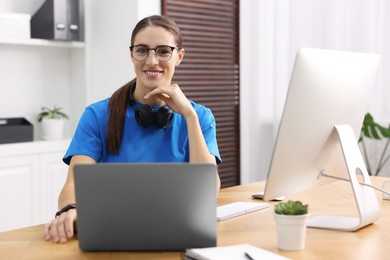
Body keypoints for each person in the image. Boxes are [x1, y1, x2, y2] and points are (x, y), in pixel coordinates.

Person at [43, 15, 222, 244]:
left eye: (163, 51)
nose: (151, 61)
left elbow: (207, 190)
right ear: (131, 54)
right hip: (111, 235)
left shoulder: (200, 117)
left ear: (179, 56)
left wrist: (189, 116)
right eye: (142, 50)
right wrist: (70, 210)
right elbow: (73, 183)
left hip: (177, 235)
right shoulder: (97, 116)